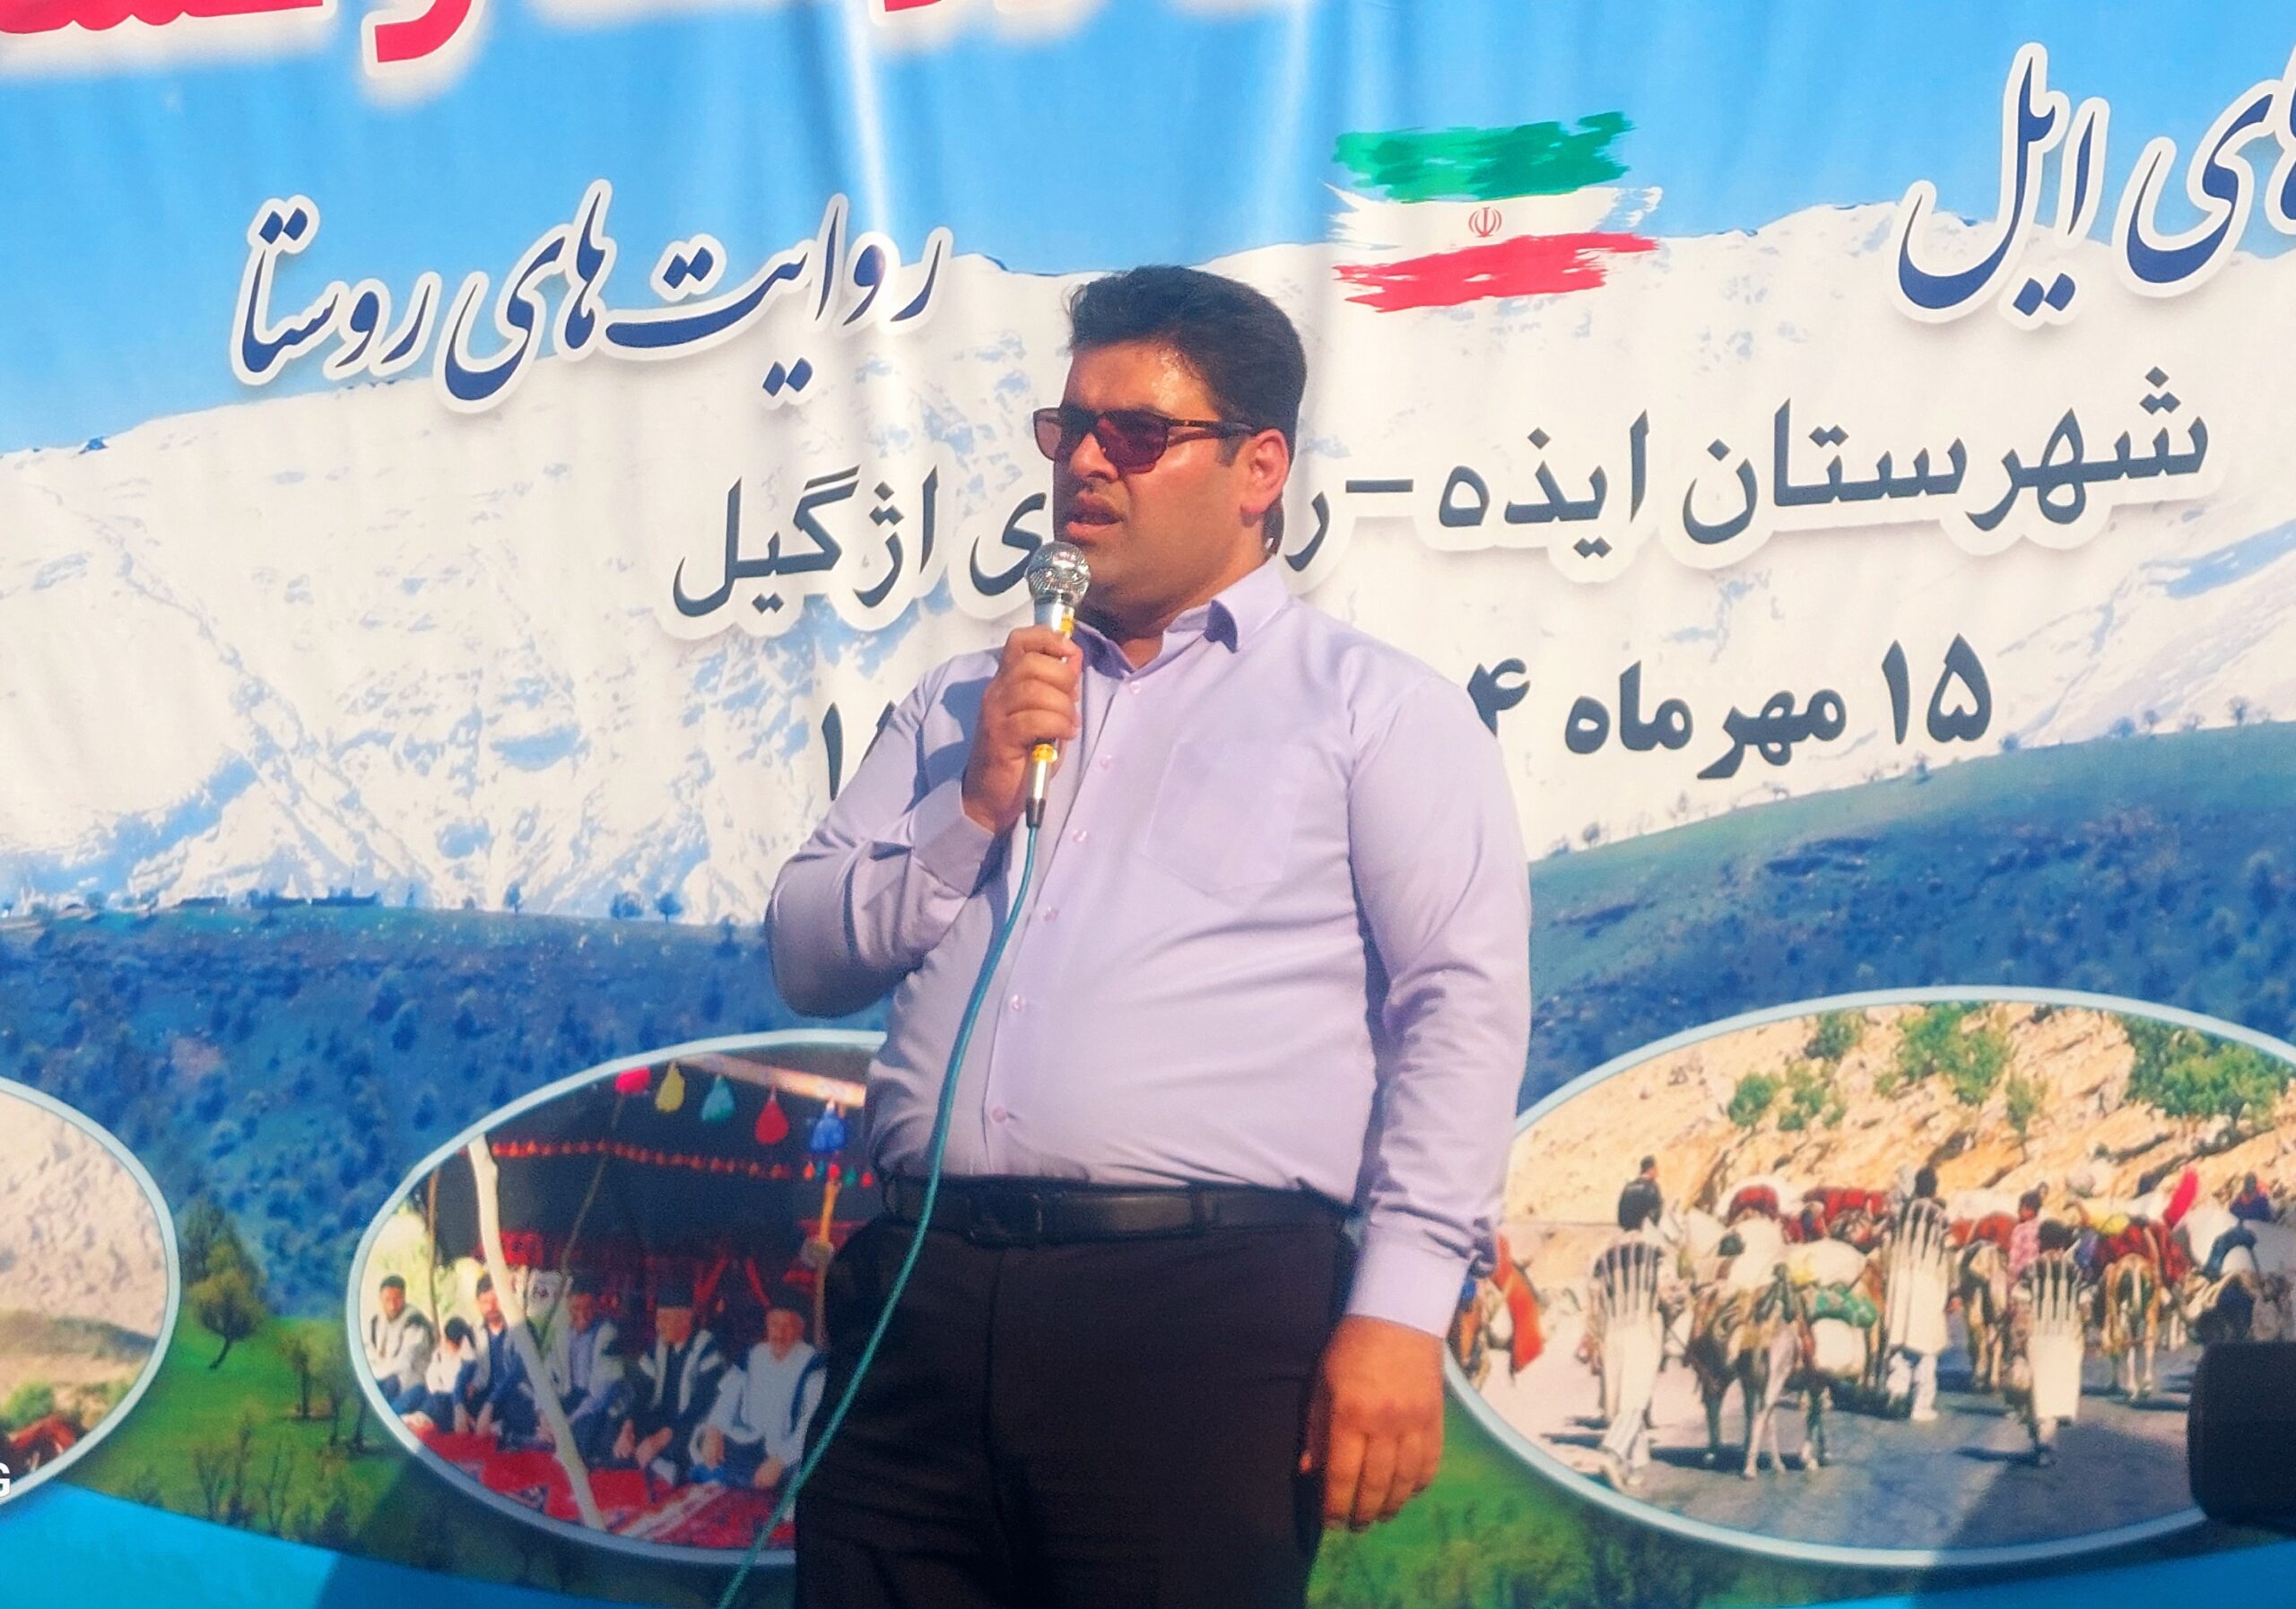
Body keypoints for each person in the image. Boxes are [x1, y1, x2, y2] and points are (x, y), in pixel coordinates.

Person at [767, 265, 1530, 1608]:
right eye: (1070, 428)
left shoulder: (1375, 711)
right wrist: (971, 806)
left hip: (1197, 1313)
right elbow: (804, 953)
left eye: (1135, 433)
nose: (1085, 464)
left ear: (1258, 469)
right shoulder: (963, 704)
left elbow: (1458, 1012)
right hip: (919, 1302)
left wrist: (1401, 1309)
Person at [693, 1298, 827, 1491]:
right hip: (751, 1444)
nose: (779, 1334)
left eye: (788, 1326)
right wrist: (715, 1431)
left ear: (801, 1329)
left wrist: (780, 1461)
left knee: (803, 1470)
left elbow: (812, 1423)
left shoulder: (814, 1365)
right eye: (774, 1325)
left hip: (786, 1452)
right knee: (703, 1438)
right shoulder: (753, 1355)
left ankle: (735, 1478)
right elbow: (727, 1398)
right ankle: (741, 1479)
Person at [614, 1280, 727, 1487]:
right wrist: (628, 1428)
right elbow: (641, 1391)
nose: (659, 1326)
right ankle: (659, 1464)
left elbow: (702, 1403)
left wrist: (660, 1439)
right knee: (617, 1425)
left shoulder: (706, 1346)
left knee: (689, 1443)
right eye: (658, 1319)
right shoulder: (658, 1346)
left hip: (692, 1423)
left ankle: (665, 1467)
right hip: (663, 1420)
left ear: (686, 1320)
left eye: (665, 1319)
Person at [539, 1273, 629, 1466]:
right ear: (567, 1305)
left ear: (597, 1306)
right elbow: (547, 1377)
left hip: (601, 1408)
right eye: (575, 1308)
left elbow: (599, 1398)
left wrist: (566, 1424)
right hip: (573, 1398)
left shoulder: (608, 1334)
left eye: (588, 1308)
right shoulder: (563, 1333)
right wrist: (545, 1414)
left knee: (581, 1435)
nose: (582, 1315)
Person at [468, 1271, 538, 1443]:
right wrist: (460, 1403)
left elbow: (518, 1371)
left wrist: (490, 1404)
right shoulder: (474, 1331)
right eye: (485, 1302)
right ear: (477, 1303)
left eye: (496, 1301)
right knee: (449, 1399)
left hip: (516, 1393)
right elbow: (465, 1366)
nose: (491, 1307)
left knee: (518, 1407)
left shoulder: (523, 1328)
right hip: (487, 1393)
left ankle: (505, 1431)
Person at [397, 1317, 483, 1432]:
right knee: (418, 1390)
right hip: (436, 1392)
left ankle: (418, 1419)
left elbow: (461, 1384)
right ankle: (393, 1414)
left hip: (454, 1401)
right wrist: (435, 1390)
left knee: (439, 1399)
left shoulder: (470, 1358)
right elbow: (431, 1377)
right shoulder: (439, 1354)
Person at [364, 1274, 434, 1404]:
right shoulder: (376, 1321)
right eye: (387, 1300)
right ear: (380, 1299)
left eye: (397, 1299)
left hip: (411, 1381)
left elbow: (405, 1361)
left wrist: (376, 1373)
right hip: (382, 1374)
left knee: (388, 1386)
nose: (392, 1305)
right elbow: (369, 1352)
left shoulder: (415, 1321)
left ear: (404, 1297)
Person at [1617, 1157, 1664, 1235]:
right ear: (1650, 1170)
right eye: (1656, 1169)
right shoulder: (1653, 1188)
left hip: (1627, 1233)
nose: (1657, 1172)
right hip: (1644, 1234)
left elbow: (1621, 1218)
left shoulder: (1628, 1187)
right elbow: (1656, 1217)